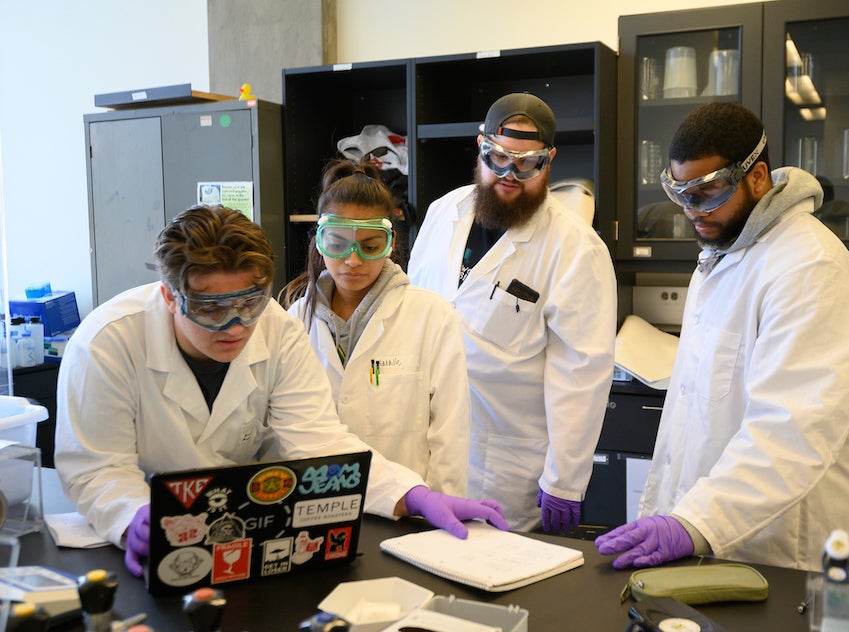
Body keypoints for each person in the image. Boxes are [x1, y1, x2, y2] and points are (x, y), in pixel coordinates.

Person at [54, 205, 508, 578]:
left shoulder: (276, 330)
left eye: (249, 302)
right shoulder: (107, 342)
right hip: (147, 548)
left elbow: (320, 443)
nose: (236, 325)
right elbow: (98, 467)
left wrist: (414, 494)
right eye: (212, 309)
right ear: (171, 297)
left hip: (247, 538)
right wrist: (131, 516)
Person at [595, 102, 849, 575]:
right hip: (716, 534)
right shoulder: (724, 253)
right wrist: (675, 514)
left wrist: (692, 521)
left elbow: (790, 432)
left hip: (785, 551)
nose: (692, 212)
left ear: (757, 176)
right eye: (680, 194)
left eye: (708, 192)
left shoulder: (808, 266)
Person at [408, 92, 617, 533]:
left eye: (527, 164)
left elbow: (581, 374)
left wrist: (565, 480)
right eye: (497, 157)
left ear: (550, 160)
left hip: (502, 467)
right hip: (423, 455)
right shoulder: (442, 212)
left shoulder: (575, 247)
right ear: (479, 145)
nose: (508, 174)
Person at [282, 160, 469, 496]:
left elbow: (450, 434)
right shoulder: (296, 320)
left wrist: (439, 511)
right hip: (318, 503)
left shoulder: (432, 316)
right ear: (319, 240)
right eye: (337, 245)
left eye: (370, 247)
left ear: (391, 243)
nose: (353, 260)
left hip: (410, 510)